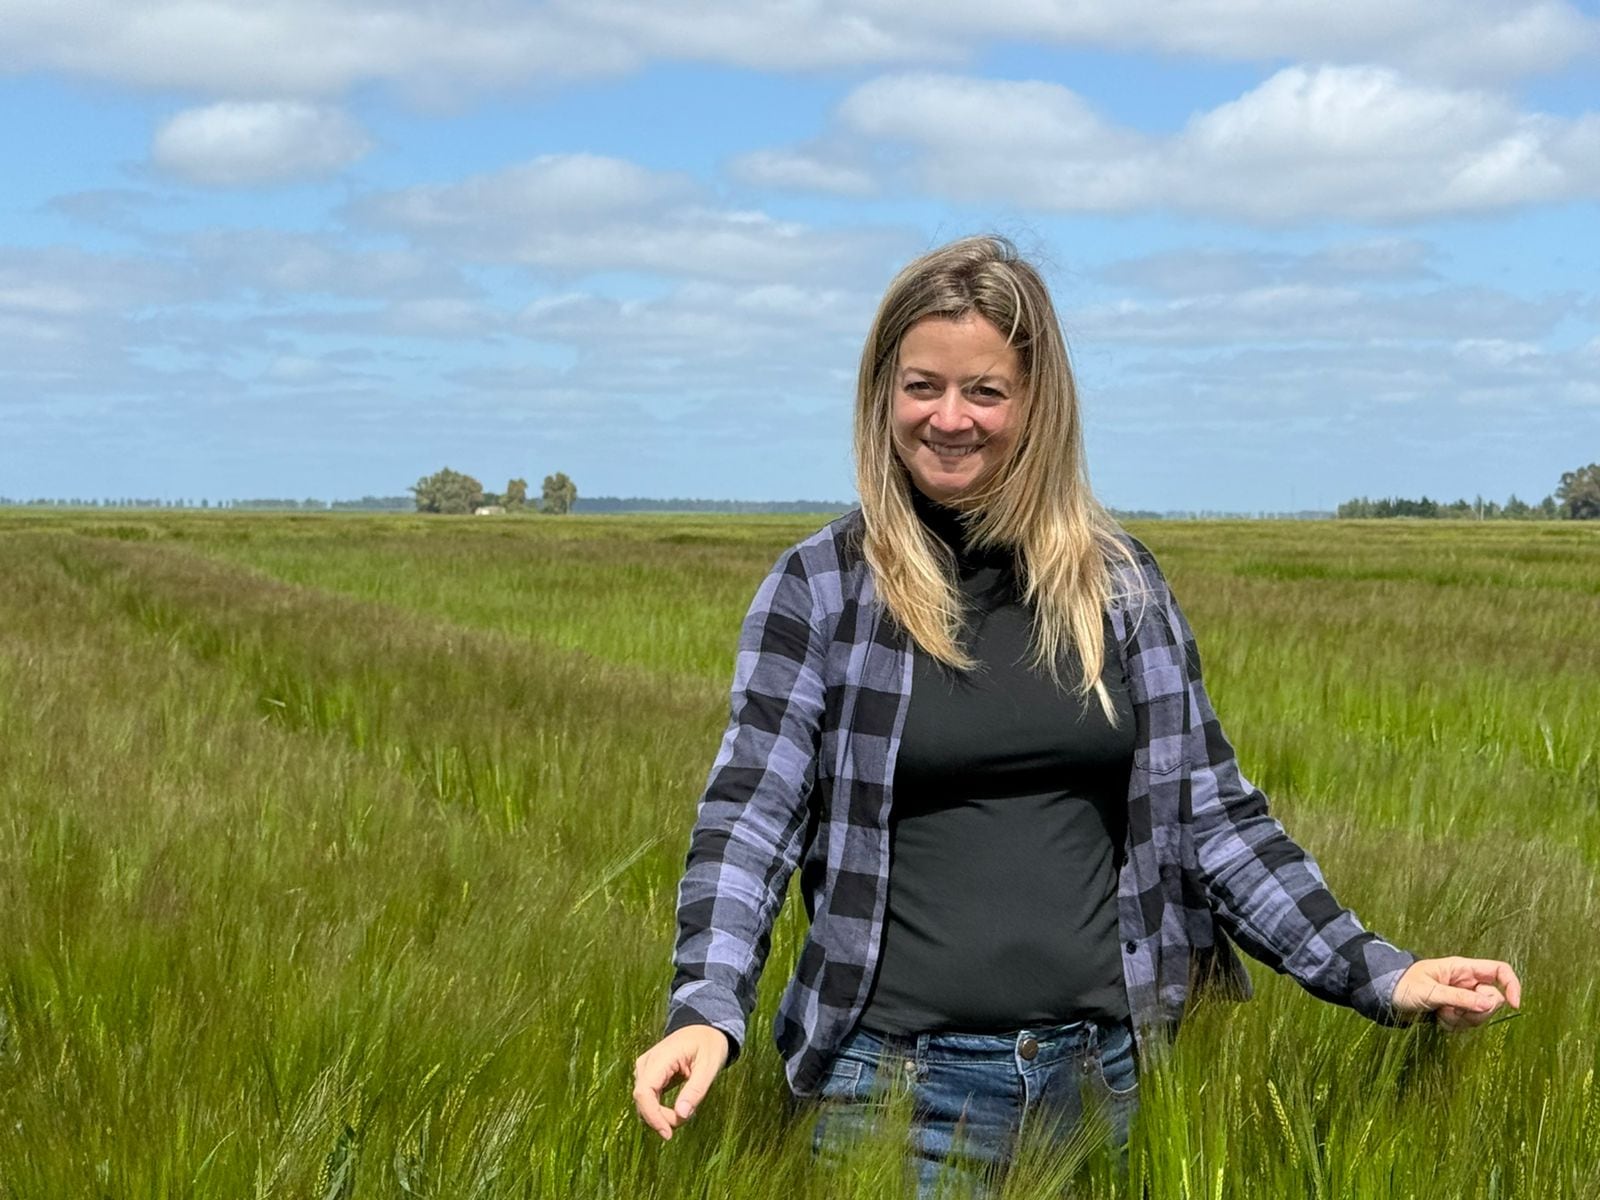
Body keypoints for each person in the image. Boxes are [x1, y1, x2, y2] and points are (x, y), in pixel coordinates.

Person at [631, 234, 1521, 1196]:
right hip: (891, 1096)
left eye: (986, 391)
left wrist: (1378, 973)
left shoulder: (1118, 585)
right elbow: (751, 818)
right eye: (923, 385)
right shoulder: (824, 587)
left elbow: (1211, 818)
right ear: (881, 394)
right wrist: (706, 1007)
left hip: (1113, 1087)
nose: (950, 418)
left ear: (1037, 403)